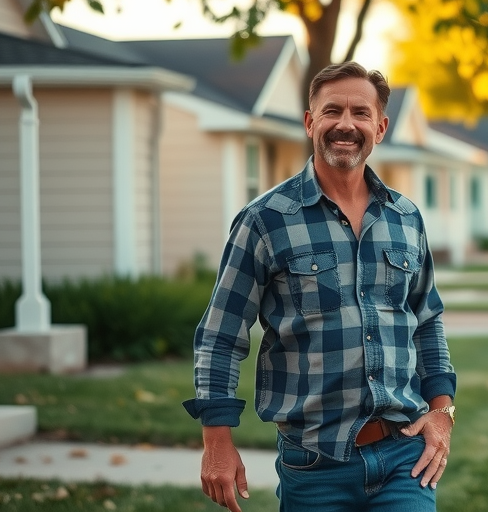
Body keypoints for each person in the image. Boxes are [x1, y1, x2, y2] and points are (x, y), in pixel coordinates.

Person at [183, 61, 456, 512]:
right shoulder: (265, 220)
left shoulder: (405, 218)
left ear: (381, 126)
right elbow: (220, 336)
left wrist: (442, 414)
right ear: (311, 122)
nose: (346, 125)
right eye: (332, 111)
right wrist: (217, 440)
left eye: (360, 113)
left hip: (404, 455)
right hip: (315, 467)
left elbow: (427, 321)